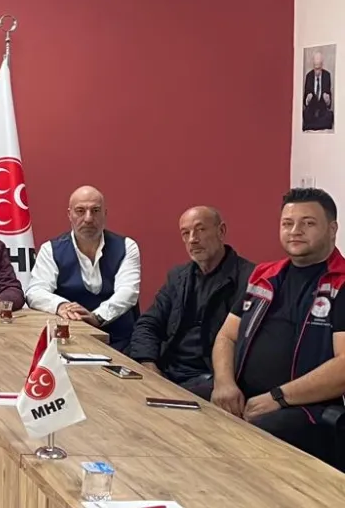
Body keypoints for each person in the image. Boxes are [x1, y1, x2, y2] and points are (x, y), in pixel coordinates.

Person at [210, 188, 345, 463]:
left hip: (304, 409)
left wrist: (278, 397)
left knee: (246, 441)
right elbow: (226, 337)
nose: (295, 231)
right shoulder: (264, 275)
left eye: (308, 223)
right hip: (244, 396)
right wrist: (224, 384)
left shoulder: (341, 283)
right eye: (287, 223)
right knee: (182, 406)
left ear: (332, 229)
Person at [127, 207, 253, 398]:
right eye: (186, 233)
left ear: (221, 231)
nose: (193, 239)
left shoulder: (249, 279)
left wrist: (223, 381)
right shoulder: (178, 277)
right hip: (168, 368)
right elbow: (148, 323)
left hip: (211, 376)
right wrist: (148, 364)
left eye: (200, 230)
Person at [25, 185, 141, 351]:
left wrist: (97, 317)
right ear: (69, 214)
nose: (88, 218)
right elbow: (35, 292)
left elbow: (128, 292)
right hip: (70, 340)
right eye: (80, 211)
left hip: (120, 343)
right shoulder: (50, 249)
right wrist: (62, 306)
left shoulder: (127, 246)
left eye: (95, 211)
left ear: (105, 214)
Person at [303, 50, 334, 131]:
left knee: (329, 115)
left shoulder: (327, 75)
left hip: (322, 111)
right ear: (313, 65)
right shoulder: (309, 76)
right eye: (315, 68)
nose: (317, 71)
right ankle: (316, 125)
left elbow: (328, 104)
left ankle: (315, 125)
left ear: (322, 64)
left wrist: (327, 100)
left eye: (319, 68)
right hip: (312, 111)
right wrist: (307, 100)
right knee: (305, 114)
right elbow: (305, 103)